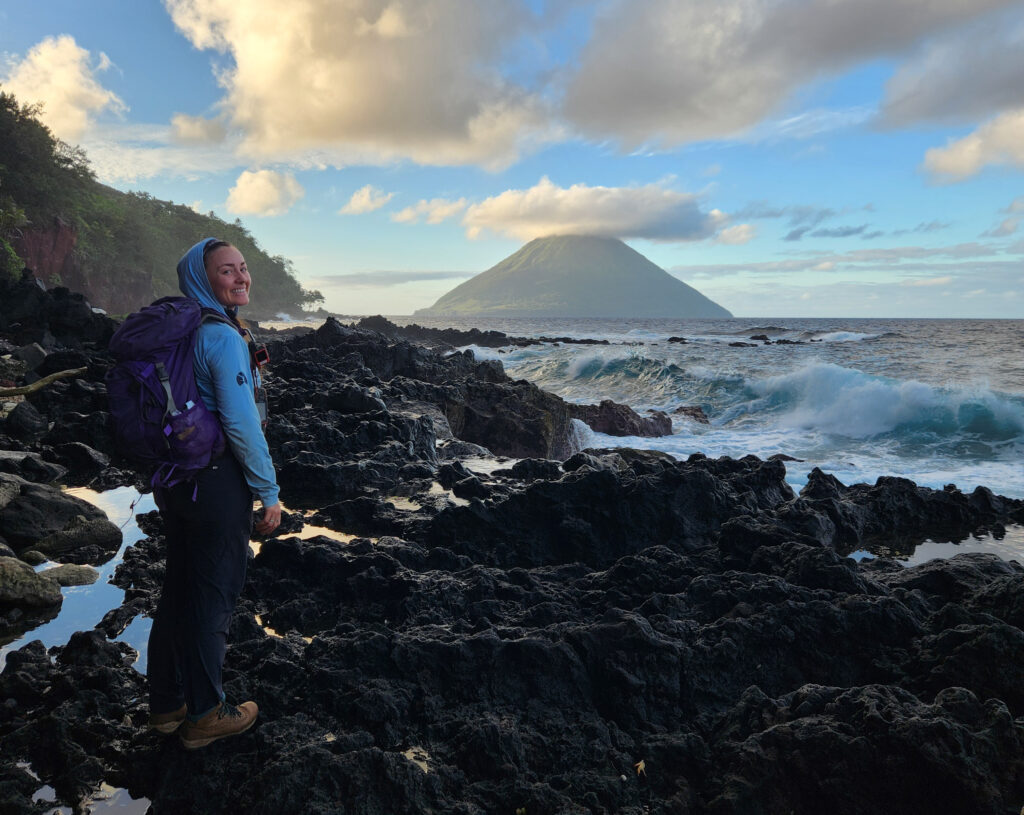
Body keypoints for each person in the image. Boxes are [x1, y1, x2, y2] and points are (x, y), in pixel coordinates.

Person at [146, 237, 282, 749]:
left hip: (177, 480)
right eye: (228, 271)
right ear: (204, 279)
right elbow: (242, 422)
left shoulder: (182, 332)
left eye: (244, 268)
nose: (242, 277)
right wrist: (268, 491)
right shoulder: (222, 337)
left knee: (179, 589)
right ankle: (206, 714)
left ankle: (166, 705)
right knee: (213, 597)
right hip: (217, 481)